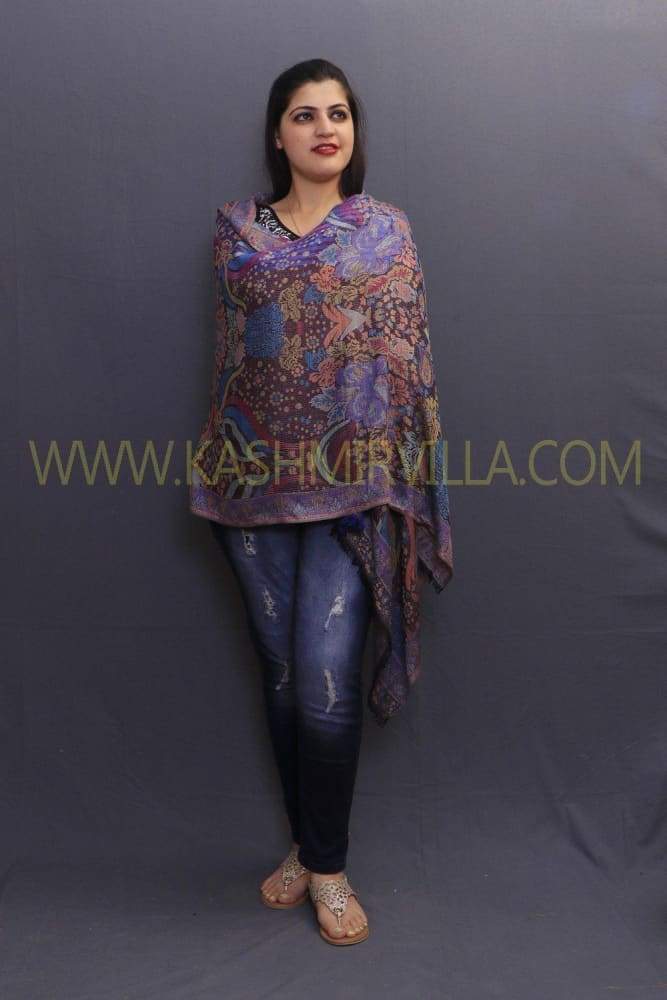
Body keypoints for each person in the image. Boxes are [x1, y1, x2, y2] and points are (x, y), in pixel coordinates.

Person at [190, 58, 453, 946]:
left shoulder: (386, 231)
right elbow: (242, 360)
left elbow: (404, 360)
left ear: (353, 130)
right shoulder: (236, 232)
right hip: (251, 483)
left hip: (355, 490)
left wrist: (397, 471)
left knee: (324, 687)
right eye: (304, 115)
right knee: (279, 677)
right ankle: (304, 849)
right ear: (278, 134)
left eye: (337, 113)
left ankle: (329, 869)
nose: (323, 129)